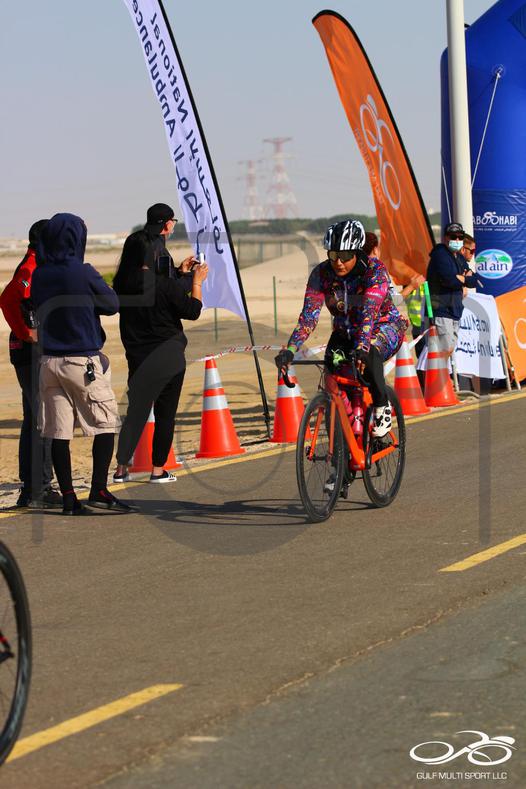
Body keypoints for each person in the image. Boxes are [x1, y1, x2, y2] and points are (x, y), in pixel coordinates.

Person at [31, 213, 133, 516]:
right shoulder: (82, 271)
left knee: (59, 432)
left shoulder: (39, 274)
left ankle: (68, 498)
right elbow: (112, 304)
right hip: (81, 361)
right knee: (105, 423)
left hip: (49, 362)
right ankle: (99, 490)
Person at [275, 219, 408, 438]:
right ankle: (343, 440)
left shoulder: (374, 270)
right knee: (333, 374)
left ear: (356, 252)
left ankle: (381, 405)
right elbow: (308, 318)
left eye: (345, 256)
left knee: (369, 352)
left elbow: (368, 313)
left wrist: (362, 346)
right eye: (333, 255)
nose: (338, 262)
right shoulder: (321, 274)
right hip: (345, 332)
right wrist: (290, 350)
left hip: (383, 325)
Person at [113, 203, 207, 483]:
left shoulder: (123, 286)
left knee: (136, 413)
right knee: (165, 414)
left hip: (138, 356)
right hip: (167, 355)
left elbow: (167, 289)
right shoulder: (163, 285)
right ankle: (157, 470)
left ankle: (121, 469)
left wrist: (180, 273)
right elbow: (192, 310)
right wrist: (197, 282)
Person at [0, 220, 62, 508]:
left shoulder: (37, 263)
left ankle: (31, 489)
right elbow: (7, 299)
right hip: (31, 353)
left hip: (29, 352)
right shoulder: (32, 267)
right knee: (43, 418)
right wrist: (27, 332)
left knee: (34, 419)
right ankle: (40, 489)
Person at [426, 221, 477, 356]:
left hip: (455, 310)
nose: (457, 240)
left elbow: (474, 280)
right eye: (453, 237)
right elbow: (449, 280)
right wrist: (464, 279)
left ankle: (441, 371)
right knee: (444, 351)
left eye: (460, 237)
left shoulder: (459, 257)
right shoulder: (440, 255)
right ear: (446, 238)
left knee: (449, 351)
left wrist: (461, 278)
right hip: (441, 310)